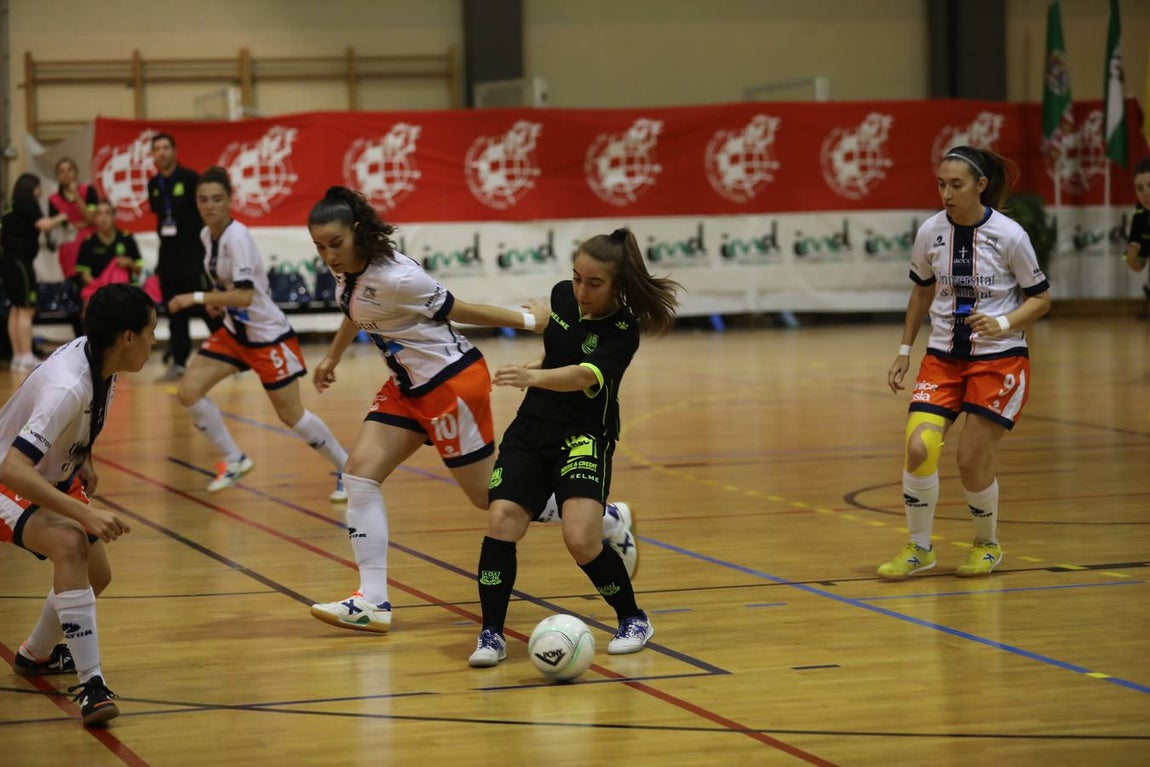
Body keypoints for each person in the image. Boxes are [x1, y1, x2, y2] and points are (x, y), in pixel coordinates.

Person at [304, 187, 640, 635]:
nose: (328, 255)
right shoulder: (352, 271)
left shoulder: (398, 277)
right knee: (360, 475)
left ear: (358, 233)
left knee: (492, 500)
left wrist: (526, 320)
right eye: (319, 247)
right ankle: (372, 601)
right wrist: (333, 356)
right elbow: (357, 308)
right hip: (407, 385)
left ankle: (605, 518)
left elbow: (457, 310)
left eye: (335, 244)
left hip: (448, 385)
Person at [468, 227, 680, 668]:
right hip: (532, 428)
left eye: (594, 283)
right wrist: (540, 361)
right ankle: (491, 634)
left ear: (618, 286)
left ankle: (633, 619)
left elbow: (584, 374)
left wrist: (533, 377)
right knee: (502, 518)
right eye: (577, 277)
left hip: (585, 435)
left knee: (581, 538)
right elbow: (561, 345)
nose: (580, 290)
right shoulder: (563, 296)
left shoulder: (624, 330)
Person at [879, 145, 1051, 581]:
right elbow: (921, 291)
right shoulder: (931, 232)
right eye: (941, 184)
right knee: (918, 447)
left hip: (999, 360)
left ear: (981, 185)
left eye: (956, 185)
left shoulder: (1010, 235)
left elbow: (1041, 299)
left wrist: (1003, 321)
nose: (946, 193)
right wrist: (904, 351)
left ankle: (987, 545)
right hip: (942, 358)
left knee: (971, 459)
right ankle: (919, 549)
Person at [1, 283, 157, 726]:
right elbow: (13, 468)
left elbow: (76, 422)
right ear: (127, 337)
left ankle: (34, 654)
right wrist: (84, 512)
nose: (154, 341)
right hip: (7, 478)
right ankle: (92, 685)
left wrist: (82, 455)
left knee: (96, 576)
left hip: (51, 474)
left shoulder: (103, 358)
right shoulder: (68, 386)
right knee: (70, 543)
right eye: (150, 332)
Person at [167, 167, 348, 500]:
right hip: (236, 332)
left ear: (231, 201)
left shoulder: (238, 237)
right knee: (189, 392)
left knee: (291, 415)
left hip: (267, 335)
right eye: (203, 200)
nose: (210, 206)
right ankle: (234, 459)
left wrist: (196, 298)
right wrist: (219, 304)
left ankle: (346, 468)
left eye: (217, 199)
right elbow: (232, 290)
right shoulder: (208, 236)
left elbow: (247, 296)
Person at [148, 132, 210, 382]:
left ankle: (233, 353)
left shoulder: (190, 178)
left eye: (165, 147)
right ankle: (179, 361)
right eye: (157, 149)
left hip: (193, 254)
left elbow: (202, 213)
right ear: (153, 155)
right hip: (168, 256)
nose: (161, 152)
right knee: (175, 311)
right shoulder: (153, 185)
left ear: (174, 151)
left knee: (207, 306)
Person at [1, 174, 71, 373]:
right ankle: (26, 355)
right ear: (33, 187)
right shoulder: (27, 202)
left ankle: (17, 356)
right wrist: (62, 216)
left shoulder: (11, 206)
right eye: (38, 188)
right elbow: (44, 225)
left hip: (8, 261)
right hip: (20, 262)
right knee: (26, 309)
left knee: (15, 309)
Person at [75, 200, 143, 308]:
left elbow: (138, 270)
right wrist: (104, 289)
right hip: (98, 292)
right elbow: (85, 275)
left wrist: (129, 263)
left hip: (124, 292)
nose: (103, 218)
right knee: (87, 307)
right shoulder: (88, 243)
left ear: (113, 216)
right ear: (95, 218)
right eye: (99, 214)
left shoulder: (127, 239)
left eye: (107, 213)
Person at [46, 156, 99, 281]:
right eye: (62, 171)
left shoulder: (89, 191)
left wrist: (76, 195)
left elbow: (92, 218)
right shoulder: (53, 200)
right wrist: (83, 223)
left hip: (90, 243)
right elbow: (59, 227)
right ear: (57, 176)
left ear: (76, 172)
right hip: (68, 248)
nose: (66, 174)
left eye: (69, 170)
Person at [1122, 155, 1150, 317]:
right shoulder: (1140, 215)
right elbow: (1139, 264)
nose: (1146, 193)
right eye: (1140, 188)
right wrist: (1132, 258)